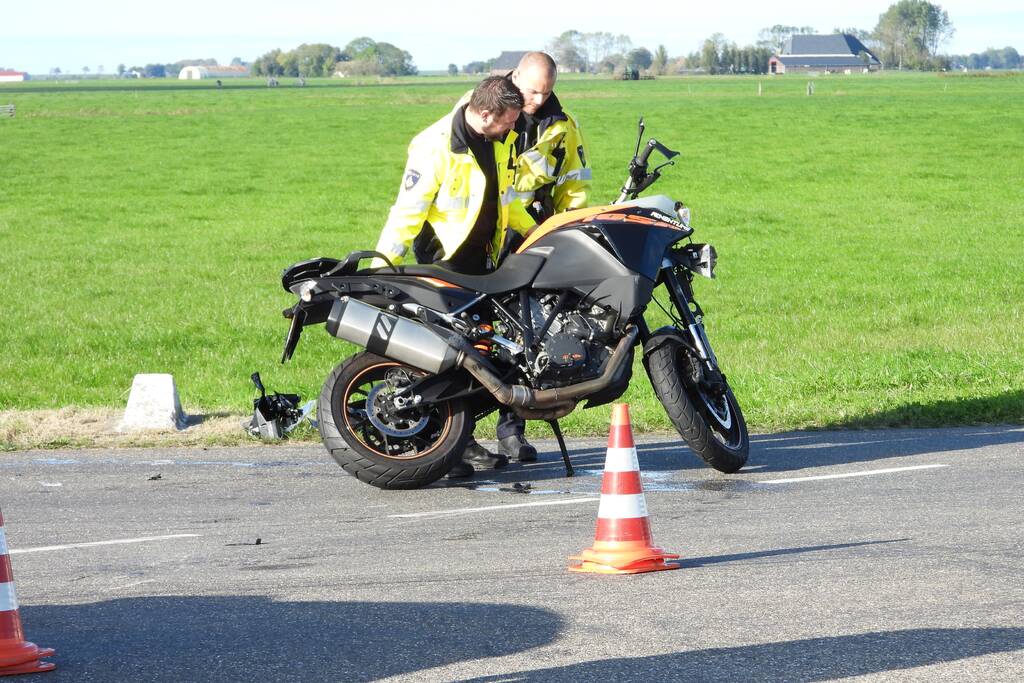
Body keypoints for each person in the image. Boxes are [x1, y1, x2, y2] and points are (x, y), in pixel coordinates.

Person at [372, 76, 536, 477]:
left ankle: (461, 442)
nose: (514, 127)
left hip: (484, 263)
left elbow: (504, 198)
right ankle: (450, 447)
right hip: (443, 265)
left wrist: (537, 232)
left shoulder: (500, 140)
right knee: (450, 358)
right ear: (486, 113)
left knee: (482, 353)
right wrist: (381, 270)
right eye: (508, 120)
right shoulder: (433, 147)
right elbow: (406, 213)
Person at [510, 52, 592, 223]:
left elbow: (574, 180)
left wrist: (569, 225)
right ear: (516, 77)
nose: (539, 100)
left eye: (546, 93)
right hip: (487, 223)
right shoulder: (481, 111)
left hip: (535, 221)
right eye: (533, 92)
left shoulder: (564, 125)